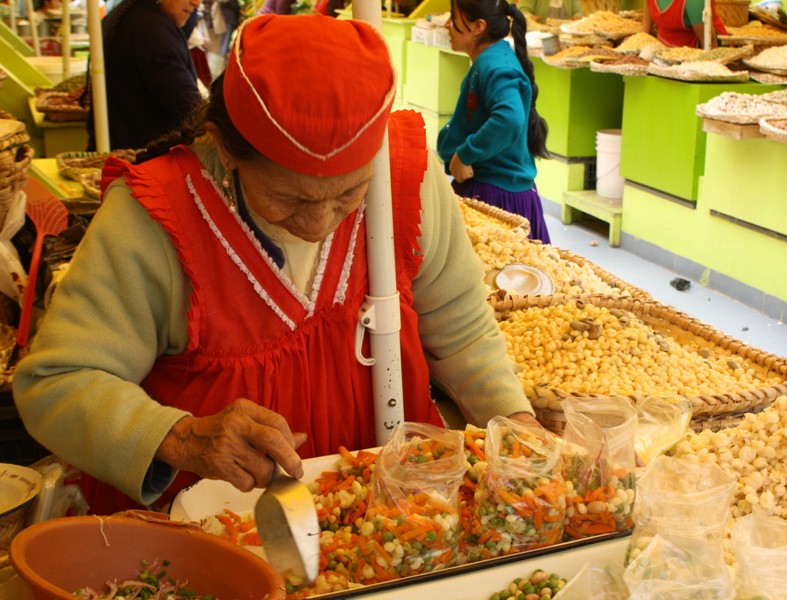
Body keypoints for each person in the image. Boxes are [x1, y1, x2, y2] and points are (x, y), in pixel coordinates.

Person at [14, 14, 543, 516]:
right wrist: (180, 436)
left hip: (392, 517)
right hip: (208, 529)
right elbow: (58, 381)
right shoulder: (153, 217)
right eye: (290, 200)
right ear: (225, 148)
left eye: (349, 195)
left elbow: (463, 331)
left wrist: (518, 426)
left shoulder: (407, 174)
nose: (320, 224)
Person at [437, 0, 552, 243]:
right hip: (495, 188)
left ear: (478, 26)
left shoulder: (495, 64)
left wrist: (465, 154)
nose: (448, 25)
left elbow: (509, 119)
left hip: (497, 196)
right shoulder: (491, 59)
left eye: (454, 18)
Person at [86, 0, 203, 151]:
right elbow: (188, 106)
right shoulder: (152, 29)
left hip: (121, 151)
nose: (196, 3)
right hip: (138, 159)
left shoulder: (132, 14)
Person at [642, 0, 728, 48]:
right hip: (664, 53)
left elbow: (710, 42)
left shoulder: (694, 2)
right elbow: (643, 36)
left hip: (697, 55)